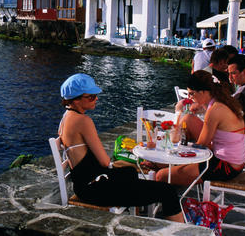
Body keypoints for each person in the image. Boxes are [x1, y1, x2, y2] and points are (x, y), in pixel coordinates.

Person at [57, 73, 183, 221]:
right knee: (167, 191)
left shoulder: (66, 118)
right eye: (91, 96)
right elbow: (104, 162)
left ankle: (138, 215)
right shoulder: (83, 121)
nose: (96, 99)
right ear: (76, 100)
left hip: (85, 185)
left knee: (129, 172)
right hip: (95, 189)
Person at [157, 71, 245, 185]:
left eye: (192, 94)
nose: (189, 97)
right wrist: (201, 106)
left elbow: (201, 146)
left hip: (226, 167)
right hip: (235, 162)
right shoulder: (222, 101)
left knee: (161, 176)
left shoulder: (215, 110)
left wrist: (178, 112)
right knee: (188, 119)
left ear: (204, 92)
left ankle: (170, 164)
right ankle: (171, 164)